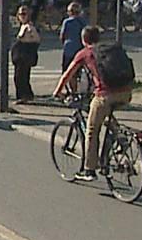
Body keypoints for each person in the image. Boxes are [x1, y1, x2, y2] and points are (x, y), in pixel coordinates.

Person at [54, 25, 134, 182]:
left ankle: (89, 170)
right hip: (126, 93)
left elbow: (67, 75)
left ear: (83, 39)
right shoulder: (109, 50)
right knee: (105, 115)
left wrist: (57, 92)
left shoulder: (85, 53)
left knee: (92, 130)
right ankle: (119, 137)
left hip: (105, 95)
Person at [10, 5, 41, 104]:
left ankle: (23, 96)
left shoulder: (29, 27)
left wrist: (27, 38)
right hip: (19, 56)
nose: (22, 16)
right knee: (21, 77)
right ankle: (27, 95)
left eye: (24, 14)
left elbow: (37, 39)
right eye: (20, 14)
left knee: (20, 77)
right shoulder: (22, 26)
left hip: (25, 56)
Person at [58, 2, 87, 98]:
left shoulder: (67, 22)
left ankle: (73, 91)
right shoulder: (83, 22)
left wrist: (64, 42)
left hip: (69, 49)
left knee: (69, 71)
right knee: (79, 71)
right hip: (80, 49)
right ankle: (80, 90)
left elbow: (62, 35)